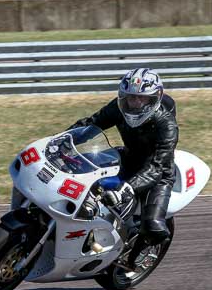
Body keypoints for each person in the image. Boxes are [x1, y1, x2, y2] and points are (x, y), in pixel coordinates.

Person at [70, 68, 179, 263]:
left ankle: (134, 256)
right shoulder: (118, 107)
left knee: (154, 227)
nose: (134, 102)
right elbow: (92, 124)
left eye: (141, 98)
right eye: (130, 97)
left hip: (157, 173)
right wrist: (63, 139)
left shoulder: (167, 125)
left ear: (154, 99)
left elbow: (158, 166)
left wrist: (128, 188)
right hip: (128, 158)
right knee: (82, 177)